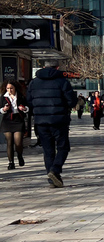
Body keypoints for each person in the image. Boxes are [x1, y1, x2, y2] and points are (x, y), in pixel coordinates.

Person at [26, 59, 77, 188]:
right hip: (59, 120)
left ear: (43, 67)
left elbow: (29, 102)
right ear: (57, 67)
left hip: (41, 122)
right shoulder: (62, 82)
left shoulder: (34, 83)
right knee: (63, 147)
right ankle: (55, 170)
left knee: (48, 151)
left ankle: (52, 179)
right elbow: (71, 101)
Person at [2, 81, 28, 170]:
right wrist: (4, 109)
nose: (10, 90)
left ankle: (19, 155)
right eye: (8, 88)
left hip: (18, 120)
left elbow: (27, 107)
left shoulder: (20, 96)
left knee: (18, 142)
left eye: (11, 88)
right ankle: (11, 162)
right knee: (9, 142)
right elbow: (0, 109)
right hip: (7, 121)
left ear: (15, 88)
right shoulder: (3, 97)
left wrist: (24, 108)